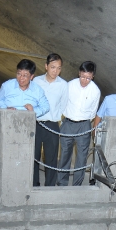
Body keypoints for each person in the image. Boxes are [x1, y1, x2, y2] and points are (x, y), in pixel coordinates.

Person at [57, 61, 100, 186]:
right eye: (82, 76)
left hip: (84, 125)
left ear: (92, 76)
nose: (84, 80)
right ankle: (62, 182)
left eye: (88, 78)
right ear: (79, 73)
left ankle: (77, 185)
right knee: (65, 154)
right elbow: (62, 103)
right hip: (68, 123)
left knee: (81, 157)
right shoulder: (70, 85)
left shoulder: (95, 91)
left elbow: (93, 112)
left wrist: (83, 120)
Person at [32, 53, 67, 187]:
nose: (55, 71)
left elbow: (63, 105)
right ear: (46, 66)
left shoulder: (63, 85)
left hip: (52, 125)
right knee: (34, 156)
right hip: (37, 123)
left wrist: (55, 116)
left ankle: (50, 186)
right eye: (53, 67)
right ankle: (34, 183)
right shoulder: (36, 82)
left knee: (51, 158)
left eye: (59, 68)